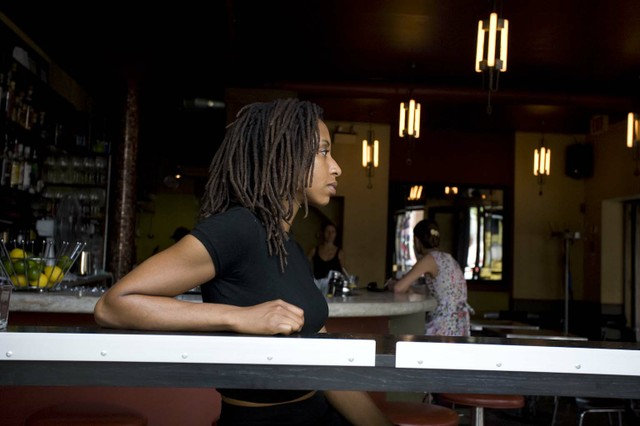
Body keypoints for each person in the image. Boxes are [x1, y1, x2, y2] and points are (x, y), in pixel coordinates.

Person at [94, 99, 390, 426]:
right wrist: (238, 317)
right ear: (283, 156)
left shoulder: (288, 245)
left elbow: (326, 367)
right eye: (323, 152)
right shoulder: (238, 228)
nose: (336, 167)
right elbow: (113, 305)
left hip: (317, 414)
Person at [389, 219, 472, 337]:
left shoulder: (429, 259)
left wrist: (391, 284)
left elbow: (398, 288)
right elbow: (438, 290)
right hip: (459, 324)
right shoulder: (448, 258)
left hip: (444, 326)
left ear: (416, 241)